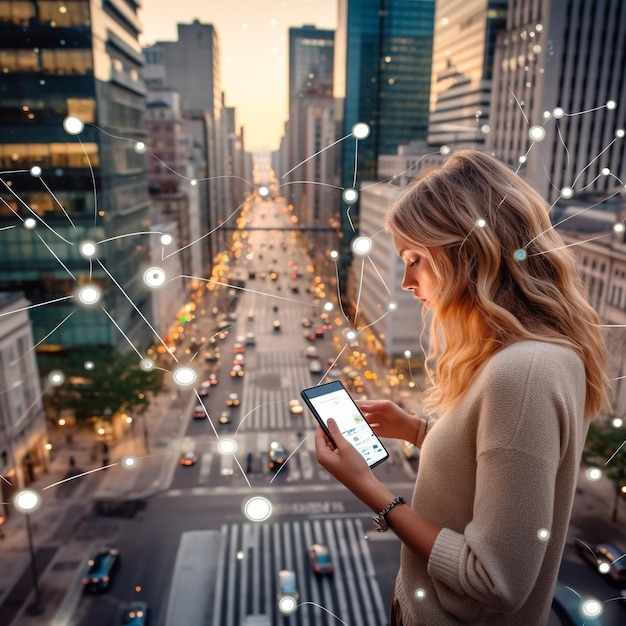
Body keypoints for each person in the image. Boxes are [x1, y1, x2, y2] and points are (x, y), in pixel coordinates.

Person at [315, 149, 612, 625]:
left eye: (416, 260)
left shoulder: (522, 372)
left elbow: (496, 580)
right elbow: (497, 469)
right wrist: (416, 429)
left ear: (466, 253)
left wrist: (369, 489)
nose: (408, 282)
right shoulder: (534, 354)